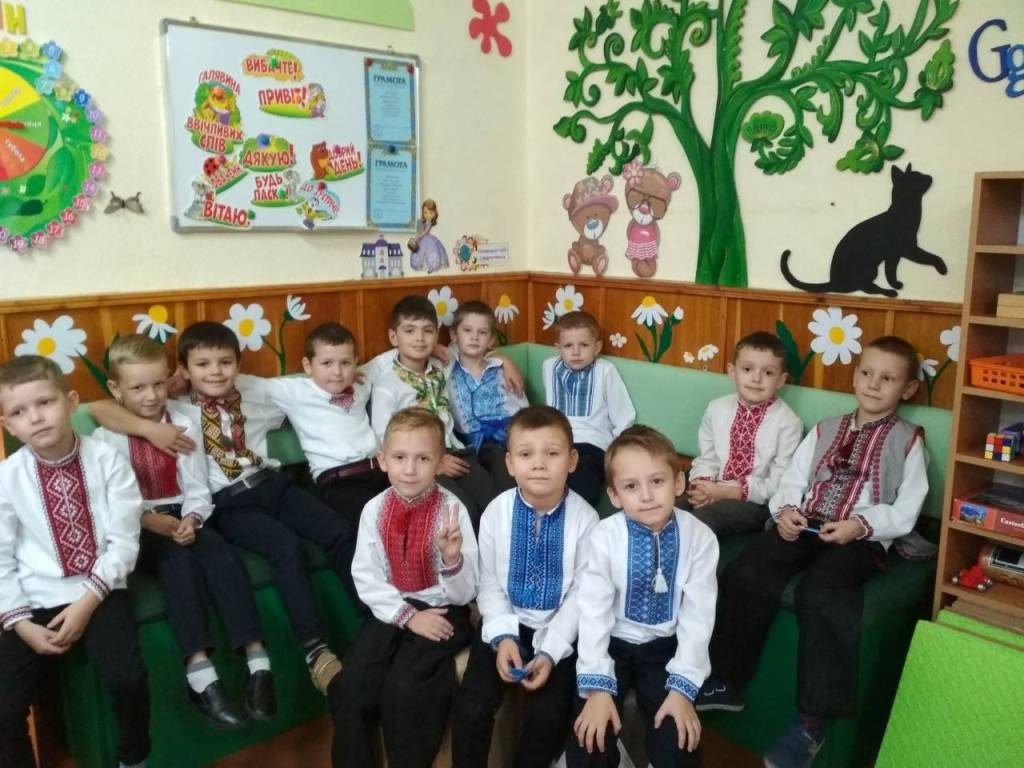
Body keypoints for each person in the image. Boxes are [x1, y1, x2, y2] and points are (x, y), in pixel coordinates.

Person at [697, 336, 929, 768]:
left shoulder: (908, 441)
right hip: (807, 523)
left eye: (888, 378)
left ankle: (810, 724)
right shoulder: (825, 429)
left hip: (860, 537)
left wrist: (861, 525)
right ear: (855, 376)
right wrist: (786, 511)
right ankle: (726, 680)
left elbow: (907, 509)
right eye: (866, 373)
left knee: (821, 593)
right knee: (748, 571)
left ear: (908, 389)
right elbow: (792, 481)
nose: (873, 384)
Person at [90, 321, 353, 696]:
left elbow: (317, 381)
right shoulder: (175, 409)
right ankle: (316, 650)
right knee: (286, 546)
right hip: (228, 502)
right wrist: (151, 427)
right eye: (202, 365)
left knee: (340, 531)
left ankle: (377, 621)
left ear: (238, 365)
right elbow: (101, 408)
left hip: (272, 482)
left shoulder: (256, 391)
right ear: (183, 371)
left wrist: (358, 374)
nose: (215, 372)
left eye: (225, 362)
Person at [92, 334, 268, 728]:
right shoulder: (106, 439)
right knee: (178, 563)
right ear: (116, 388)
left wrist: (194, 519)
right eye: (138, 388)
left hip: (184, 515)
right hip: (139, 524)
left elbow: (198, 486)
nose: (151, 396)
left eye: (158, 384)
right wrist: (147, 519)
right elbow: (110, 502)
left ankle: (258, 663)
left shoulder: (185, 420)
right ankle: (200, 675)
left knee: (223, 557)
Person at [0, 356, 150, 768]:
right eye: (19, 412)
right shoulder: (7, 478)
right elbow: (1, 557)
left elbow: (124, 542)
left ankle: (134, 758)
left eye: (45, 402)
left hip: (100, 590)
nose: (36, 418)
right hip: (33, 599)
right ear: (8, 426)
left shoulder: (108, 459)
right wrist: (20, 623)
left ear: (71, 402)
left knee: (128, 679)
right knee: (5, 709)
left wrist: (86, 604)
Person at [329, 407, 478, 768]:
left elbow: (467, 592)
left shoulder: (453, 510)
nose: (410, 469)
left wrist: (452, 559)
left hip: (444, 610)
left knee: (406, 688)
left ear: (440, 463)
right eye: (399, 457)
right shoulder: (374, 509)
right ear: (383, 460)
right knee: (349, 686)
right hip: (392, 608)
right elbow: (367, 577)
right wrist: (408, 617)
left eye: (423, 458)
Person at [452, 405, 598, 768]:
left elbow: (582, 596)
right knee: (471, 708)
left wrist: (549, 652)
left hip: (558, 629)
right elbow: (488, 582)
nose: (539, 464)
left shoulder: (587, 521)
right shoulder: (495, 512)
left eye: (552, 453)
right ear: (510, 463)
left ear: (572, 460)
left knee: (548, 719)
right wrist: (502, 637)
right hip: (505, 621)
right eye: (526, 454)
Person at [568, 425, 718, 768]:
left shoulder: (700, 538)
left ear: (678, 483)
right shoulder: (605, 537)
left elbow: (698, 617)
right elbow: (593, 613)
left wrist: (682, 690)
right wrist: (598, 689)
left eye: (657, 481)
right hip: (611, 644)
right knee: (590, 739)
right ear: (615, 495)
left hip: (666, 649)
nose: (647, 496)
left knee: (678, 744)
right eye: (631, 486)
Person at [367, 295, 494, 528]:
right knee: (462, 512)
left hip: (456, 452)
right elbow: (384, 438)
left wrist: (506, 362)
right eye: (409, 331)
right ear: (394, 337)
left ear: (436, 335)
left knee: (493, 503)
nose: (419, 338)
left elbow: (478, 354)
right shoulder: (387, 385)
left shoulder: (442, 367)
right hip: (420, 462)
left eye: (427, 331)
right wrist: (435, 462)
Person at [685, 331, 804, 536]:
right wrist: (702, 487)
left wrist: (725, 492)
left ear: (781, 380)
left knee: (698, 522)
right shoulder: (716, 408)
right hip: (713, 486)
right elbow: (707, 457)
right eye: (747, 369)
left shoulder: (789, 424)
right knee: (665, 508)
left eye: (768, 373)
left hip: (755, 503)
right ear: (732, 371)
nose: (756, 379)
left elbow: (780, 483)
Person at [543, 310, 635, 507]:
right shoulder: (549, 367)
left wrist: (617, 454)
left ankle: (574, 518)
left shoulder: (605, 370)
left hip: (592, 444)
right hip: (555, 441)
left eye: (584, 345)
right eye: (568, 346)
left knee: (582, 483)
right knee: (538, 476)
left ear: (597, 347)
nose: (576, 352)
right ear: (558, 348)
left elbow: (623, 417)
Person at [446, 300, 528, 496]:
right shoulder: (446, 366)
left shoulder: (500, 370)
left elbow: (523, 409)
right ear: (454, 335)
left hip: (504, 439)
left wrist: (504, 360)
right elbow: (424, 348)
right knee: (476, 482)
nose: (474, 337)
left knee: (504, 472)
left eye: (482, 332)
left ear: (491, 340)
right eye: (467, 330)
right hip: (467, 445)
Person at [407, 199, 448, 273]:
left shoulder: (429, 223)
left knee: (429, 251)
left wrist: (418, 236)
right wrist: (417, 234)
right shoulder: (423, 221)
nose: (428, 215)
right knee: (420, 252)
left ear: (434, 214)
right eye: (425, 212)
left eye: (431, 213)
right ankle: (423, 266)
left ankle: (431, 267)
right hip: (421, 238)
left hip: (427, 238)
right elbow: (420, 230)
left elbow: (425, 232)